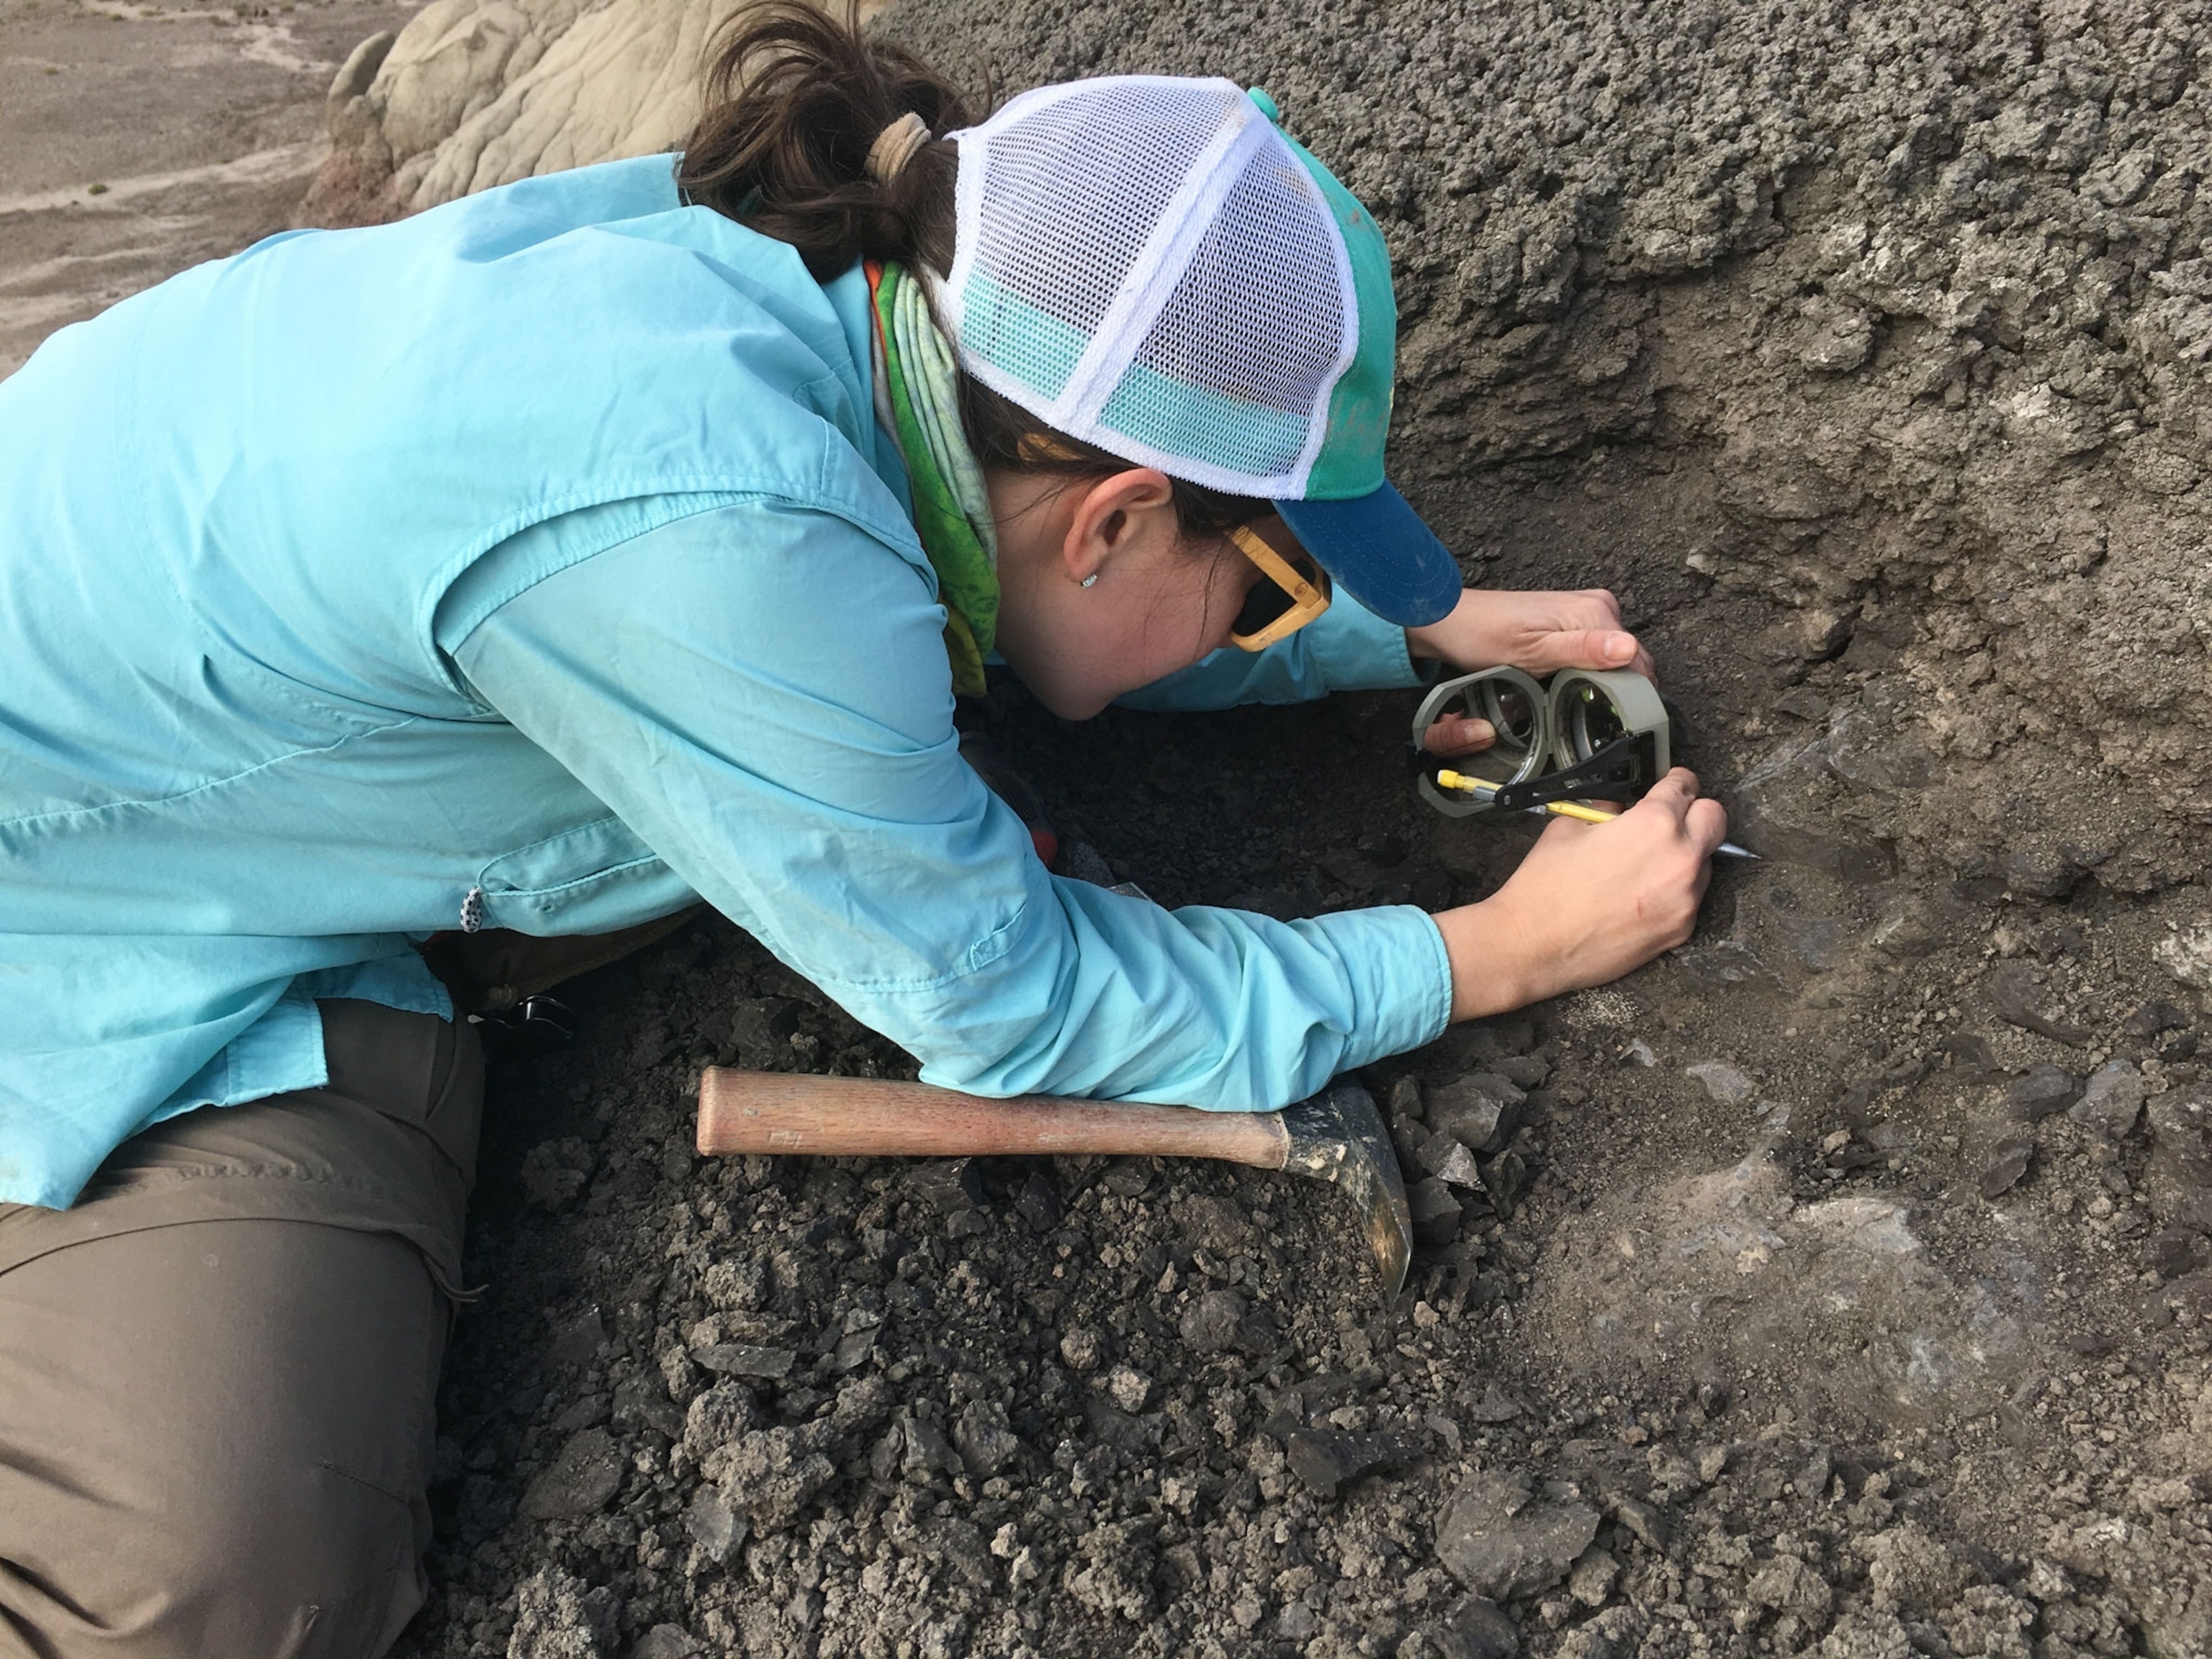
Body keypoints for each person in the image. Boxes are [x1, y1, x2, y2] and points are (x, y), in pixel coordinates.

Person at [0, 6, 1727, 1651]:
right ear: (1118, 516)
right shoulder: (720, 534)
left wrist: (1399, 634)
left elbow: (1024, 597)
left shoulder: (827, 290)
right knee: (216, 1586)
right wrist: (1489, 951)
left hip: (208, 718)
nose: (1276, 617)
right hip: (73, 913)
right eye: (1273, 578)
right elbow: (1007, 1002)